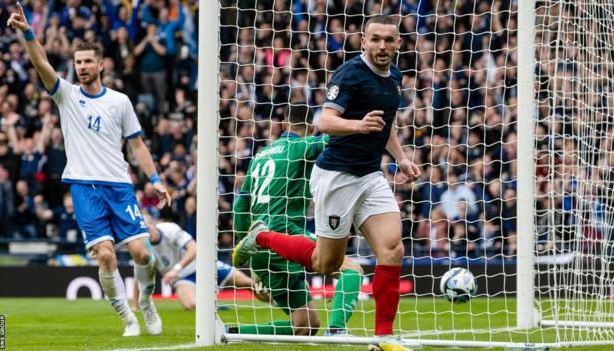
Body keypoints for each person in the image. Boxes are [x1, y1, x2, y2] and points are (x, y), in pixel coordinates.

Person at [233, 15, 421, 351]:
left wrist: (401, 157)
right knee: (326, 263)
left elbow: (386, 123)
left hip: (370, 176)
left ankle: (384, 336)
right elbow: (326, 121)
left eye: (388, 40)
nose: (381, 46)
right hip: (337, 176)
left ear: (397, 43)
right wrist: (357, 126)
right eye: (375, 39)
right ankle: (261, 237)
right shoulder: (349, 74)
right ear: (364, 41)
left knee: (393, 247)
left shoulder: (394, 76)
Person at [7, 3, 171, 337]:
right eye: (77, 62)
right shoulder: (65, 95)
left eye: (86, 62)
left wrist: (154, 179)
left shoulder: (120, 102)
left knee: (143, 256)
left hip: (119, 186)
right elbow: (41, 63)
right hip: (84, 188)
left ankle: (147, 302)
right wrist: (28, 34)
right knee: (107, 257)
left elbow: (137, 145)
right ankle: (127, 317)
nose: (81, 67)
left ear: (100, 65)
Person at [232, 103, 363, 336]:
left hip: (258, 243)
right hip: (283, 233)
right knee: (351, 270)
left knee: (306, 324)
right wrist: (358, 124)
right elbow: (333, 142)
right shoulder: (301, 146)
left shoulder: (260, 155)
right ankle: (337, 330)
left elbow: (240, 206)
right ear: (312, 127)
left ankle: (230, 332)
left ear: (283, 124)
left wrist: (247, 248)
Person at [129, 218, 268, 311]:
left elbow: (194, 248)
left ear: (153, 224)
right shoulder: (143, 246)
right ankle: (216, 306)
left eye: (148, 228)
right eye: (144, 231)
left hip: (202, 264)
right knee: (191, 305)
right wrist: (134, 305)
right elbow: (139, 275)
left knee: (249, 283)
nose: (148, 233)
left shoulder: (169, 229)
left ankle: (275, 300)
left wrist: (175, 269)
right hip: (183, 278)